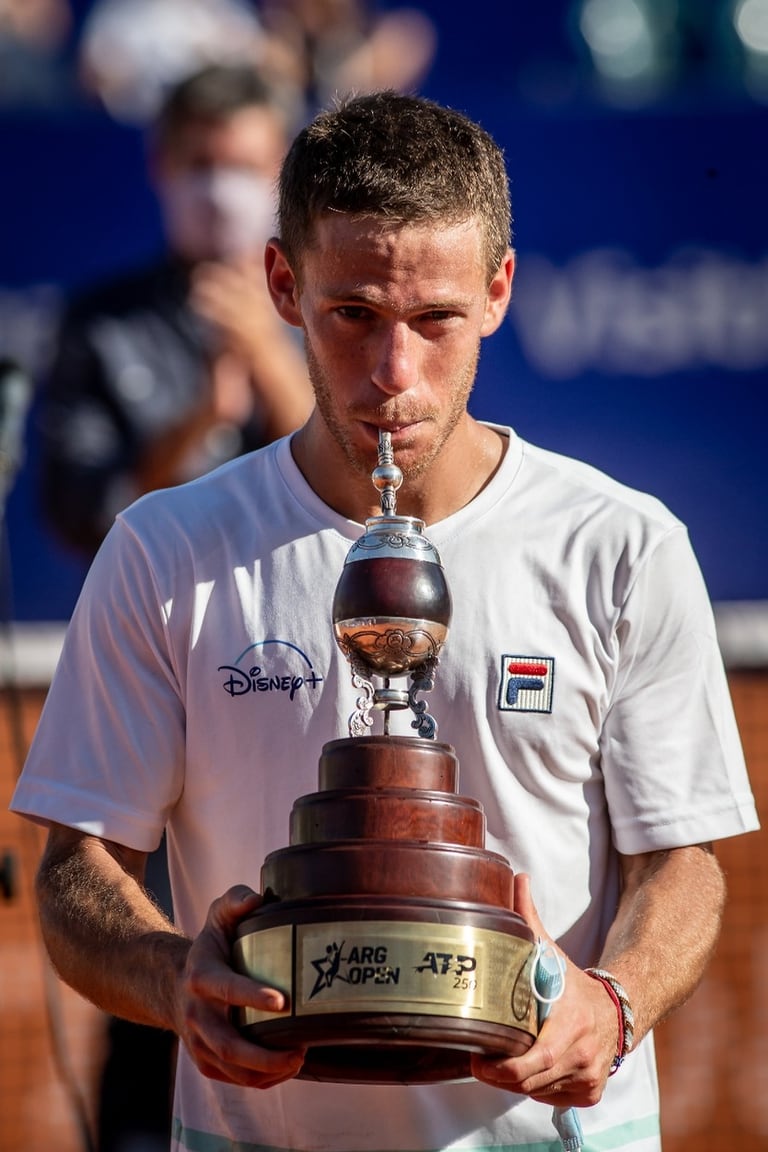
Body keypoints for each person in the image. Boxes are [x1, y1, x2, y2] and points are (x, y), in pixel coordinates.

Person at [12, 91, 758, 1152]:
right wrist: (178, 979)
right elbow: (77, 870)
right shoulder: (164, 550)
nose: (394, 375)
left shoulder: (622, 545)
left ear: (499, 291)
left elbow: (682, 865)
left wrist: (615, 1003)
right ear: (284, 284)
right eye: (353, 313)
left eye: (435, 319)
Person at [39, 61, 312, 560]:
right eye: (201, 165)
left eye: (245, 168)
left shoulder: (332, 306)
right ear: (161, 164)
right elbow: (80, 516)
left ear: (282, 168)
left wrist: (268, 357)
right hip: (158, 608)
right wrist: (199, 421)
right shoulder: (100, 323)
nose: (221, 193)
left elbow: (365, 487)